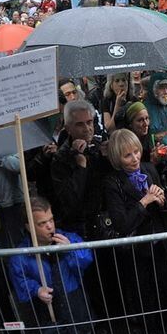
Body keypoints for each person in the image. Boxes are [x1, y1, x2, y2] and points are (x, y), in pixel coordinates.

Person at [100, 129, 167, 334]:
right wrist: (144, 202)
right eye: (127, 155)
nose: (135, 158)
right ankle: (149, 329)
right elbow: (122, 223)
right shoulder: (112, 183)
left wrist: (162, 201)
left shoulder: (149, 168)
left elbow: (166, 207)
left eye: (136, 151)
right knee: (143, 289)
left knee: (164, 283)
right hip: (136, 247)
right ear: (117, 158)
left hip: (158, 240)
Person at [8, 197, 98, 334]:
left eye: (51, 220)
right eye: (42, 223)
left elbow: (87, 259)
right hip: (48, 306)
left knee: (81, 333)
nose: (50, 226)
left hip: (73, 297)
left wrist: (71, 249)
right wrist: (36, 290)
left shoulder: (68, 238)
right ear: (28, 226)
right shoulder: (21, 254)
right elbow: (20, 280)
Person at [50, 100, 110, 237]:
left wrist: (107, 159)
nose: (87, 128)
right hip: (79, 229)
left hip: (104, 222)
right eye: (80, 124)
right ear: (68, 128)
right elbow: (69, 200)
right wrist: (80, 167)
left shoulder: (99, 145)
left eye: (89, 122)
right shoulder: (61, 158)